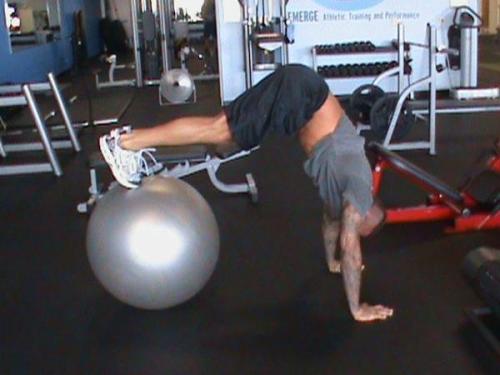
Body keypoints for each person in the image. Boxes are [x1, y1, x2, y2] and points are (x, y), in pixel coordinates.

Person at [99, 64, 394, 322]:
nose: (352, 230)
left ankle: (139, 144)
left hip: (300, 98)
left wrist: (333, 262)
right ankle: (126, 142)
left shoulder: (340, 200)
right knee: (219, 130)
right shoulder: (359, 187)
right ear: (370, 209)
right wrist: (357, 307)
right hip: (302, 95)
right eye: (359, 229)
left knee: (223, 144)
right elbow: (350, 243)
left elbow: (333, 224)